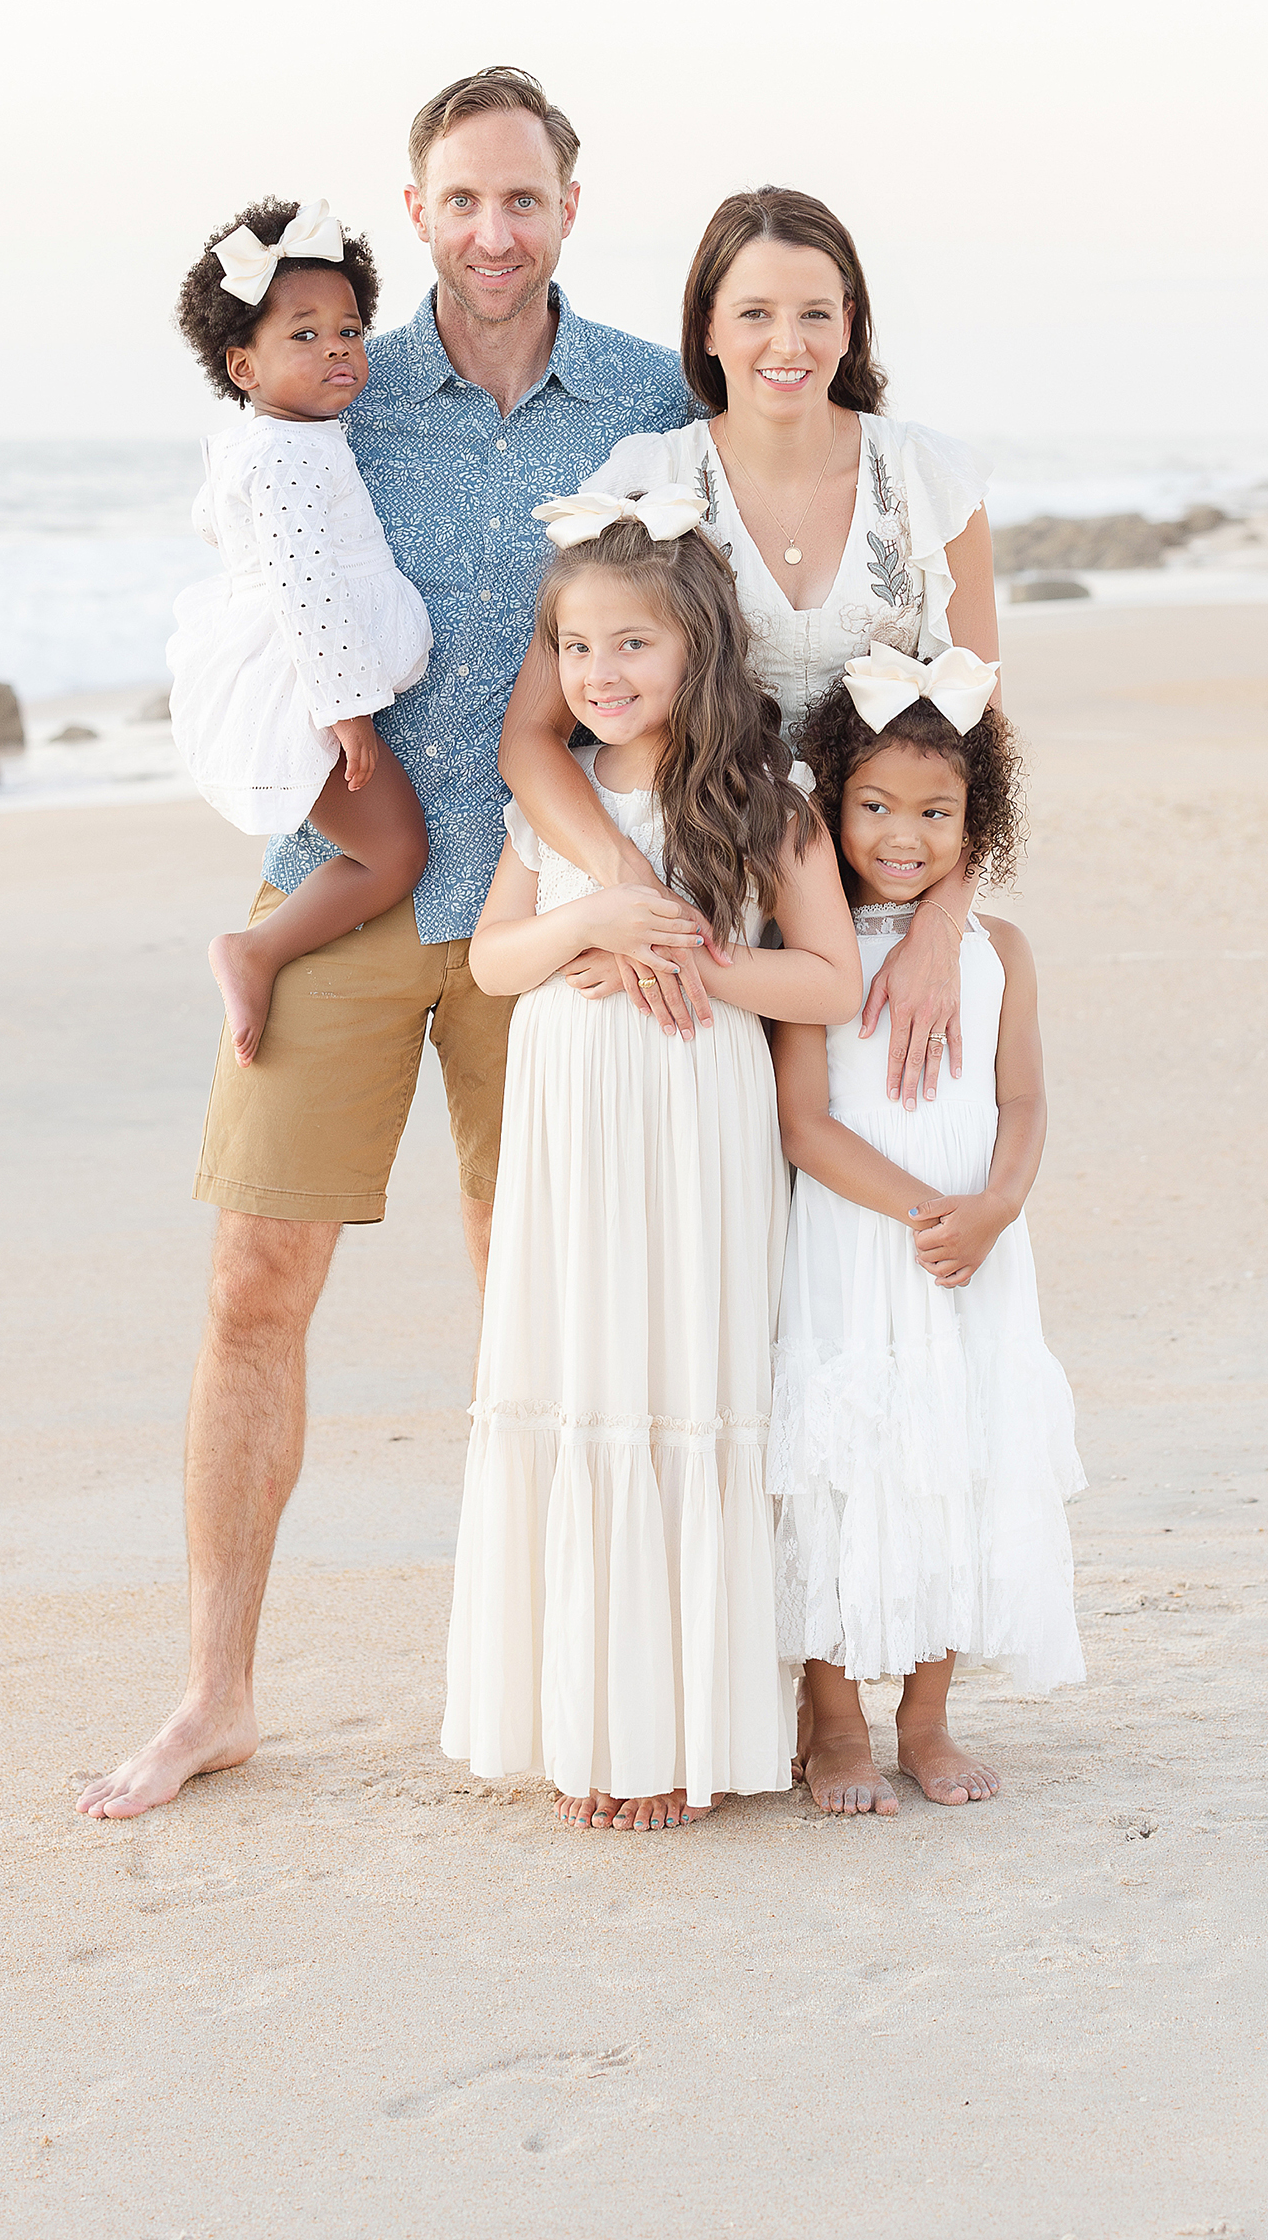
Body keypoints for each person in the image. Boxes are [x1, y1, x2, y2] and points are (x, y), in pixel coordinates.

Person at [78, 69, 692, 1820]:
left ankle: (571, 1687)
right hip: (337, 885)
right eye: (459, 201)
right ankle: (213, 1695)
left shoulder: (652, 402)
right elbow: (246, 573)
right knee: (251, 1290)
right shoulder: (325, 376)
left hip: (549, 917)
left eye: (523, 200)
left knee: (541, 1308)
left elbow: (710, 639)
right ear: (415, 211)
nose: (491, 233)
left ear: (569, 207)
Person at [443, 493, 866, 1831]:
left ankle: (691, 1731)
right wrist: (597, 923)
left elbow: (830, 981)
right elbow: (491, 963)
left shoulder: (760, 800)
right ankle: (590, 1722)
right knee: (585, 1379)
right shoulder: (551, 808)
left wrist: (690, 951)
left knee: (685, 1372)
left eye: (631, 645)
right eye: (575, 650)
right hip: (572, 1131)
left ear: (695, 646)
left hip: (694, 1126)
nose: (600, 676)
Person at [500, 186, 996, 1105]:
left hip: (886, 902)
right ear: (709, 328)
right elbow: (531, 735)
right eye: (755, 313)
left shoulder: (930, 480)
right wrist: (637, 898)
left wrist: (939, 929)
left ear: (849, 325)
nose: (788, 343)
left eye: (814, 313)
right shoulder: (645, 481)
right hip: (707, 892)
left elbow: (980, 738)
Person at [768, 646, 1085, 1817]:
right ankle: (838, 1724)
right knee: (846, 1471)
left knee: (958, 1459)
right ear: (832, 803)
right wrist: (921, 1211)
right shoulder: (813, 947)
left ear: (975, 818)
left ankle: (928, 1719)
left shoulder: (999, 951)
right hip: (861, 1246)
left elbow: (1024, 1099)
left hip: (975, 1254)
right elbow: (803, 1125)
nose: (904, 832)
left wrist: (995, 1206)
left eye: (936, 811)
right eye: (876, 805)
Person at [164, 199, 432, 1067]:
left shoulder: (275, 440)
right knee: (394, 854)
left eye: (349, 331)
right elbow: (305, 589)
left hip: (311, 673)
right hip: (307, 683)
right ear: (242, 365)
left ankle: (261, 946)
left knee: (387, 847)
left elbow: (221, 523)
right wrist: (346, 709)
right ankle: (257, 949)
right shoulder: (284, 453)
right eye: (304, 336)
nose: (339, 351)